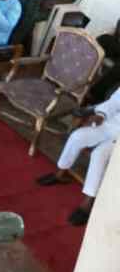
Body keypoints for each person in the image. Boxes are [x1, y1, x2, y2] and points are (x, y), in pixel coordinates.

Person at [36, 89, 120, 226]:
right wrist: (101, 114)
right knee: (78, 136)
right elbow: (115, 101)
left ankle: (88, 201)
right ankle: (60, 173)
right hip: (111, 124)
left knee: (99, 155)